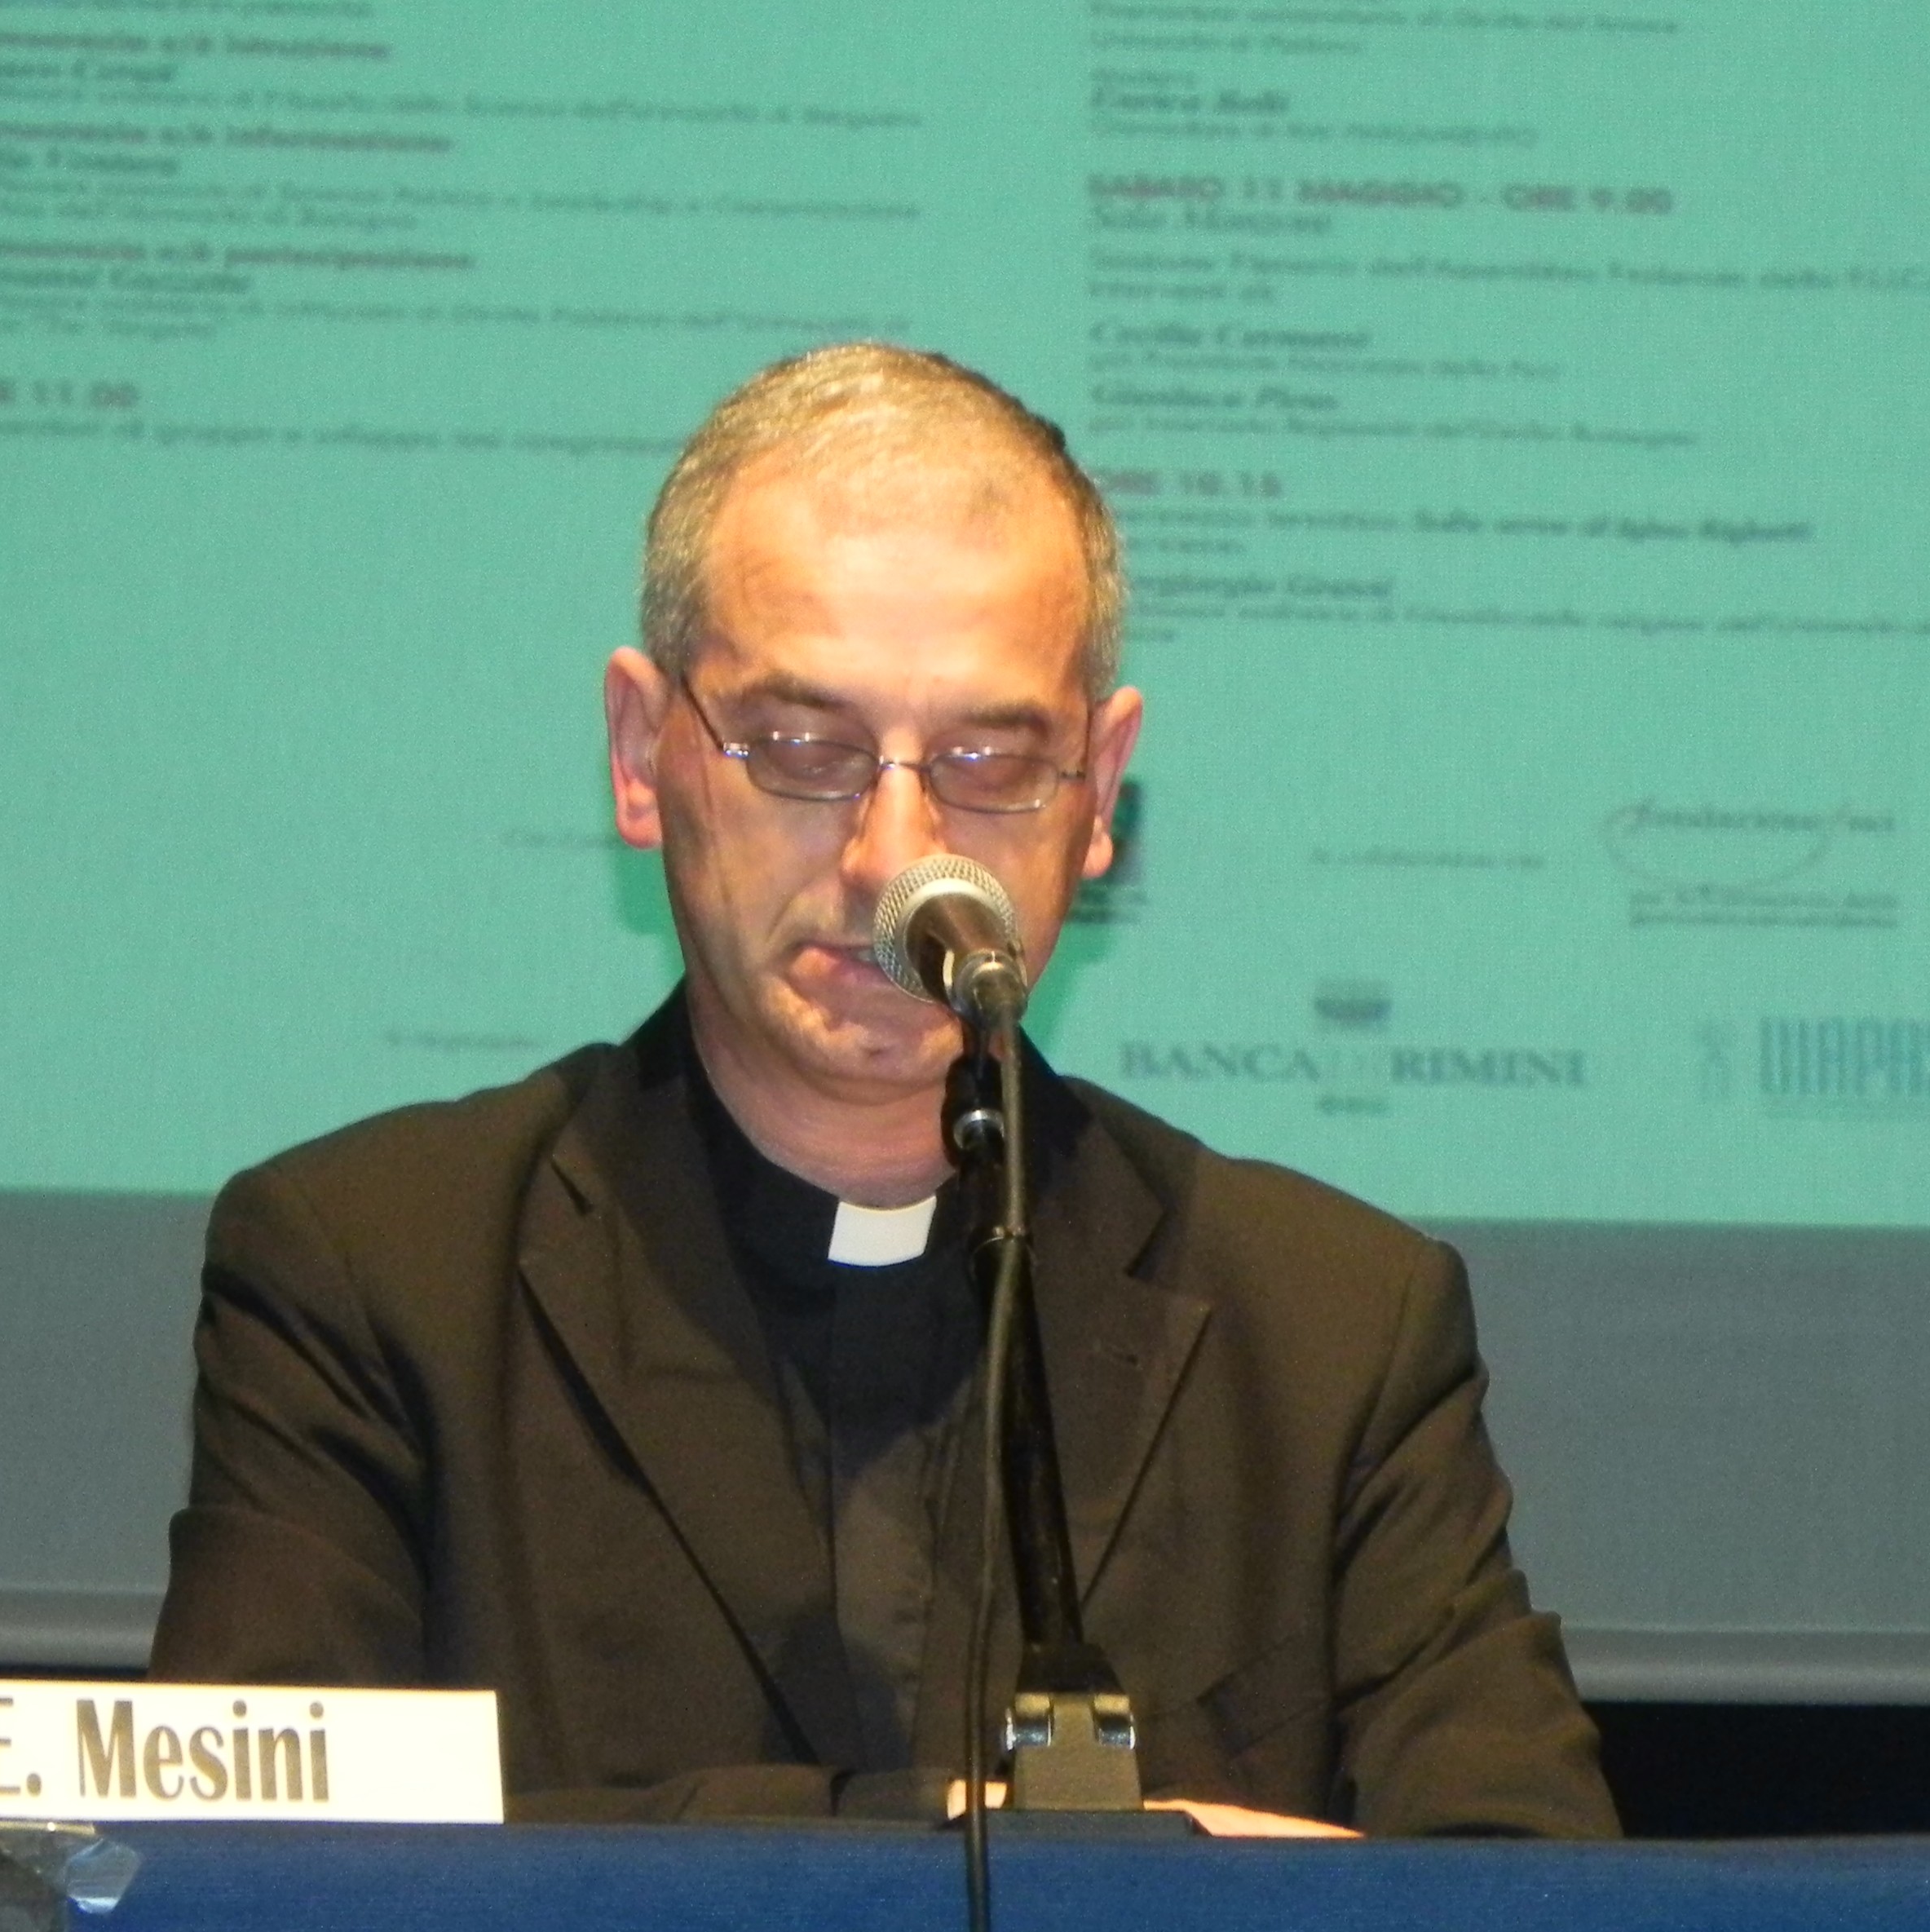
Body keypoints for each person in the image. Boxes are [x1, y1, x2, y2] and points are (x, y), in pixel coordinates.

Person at [149, 344, 1616, 1837]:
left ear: (1099, 789)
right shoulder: (377, 1278)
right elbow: (256, 1883)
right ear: (642, 755)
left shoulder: (1331, 1331)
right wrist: (1039, 1846)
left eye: (988, 759)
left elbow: (1533, 1911)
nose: (896, 860)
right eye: (805, 749)